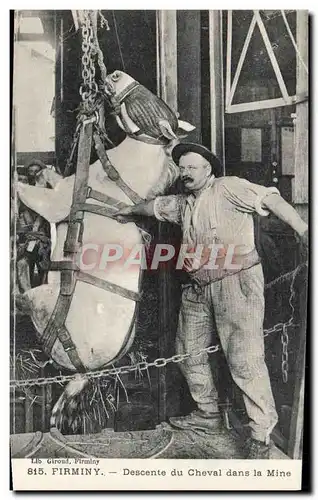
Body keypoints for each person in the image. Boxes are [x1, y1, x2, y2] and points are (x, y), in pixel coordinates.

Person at [115, 142, 308, 459]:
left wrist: (302, 229)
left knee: (244, 360)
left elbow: (269, 197)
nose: (186, 172)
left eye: (193, 166)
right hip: (197, 288)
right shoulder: (183, 204)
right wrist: (124, 211)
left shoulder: (229, 188)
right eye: (183, 167)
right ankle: (207, 414)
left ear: (209, 169)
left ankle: (260, 435)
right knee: (187, 353)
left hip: (236, 283)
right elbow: (153, 207)